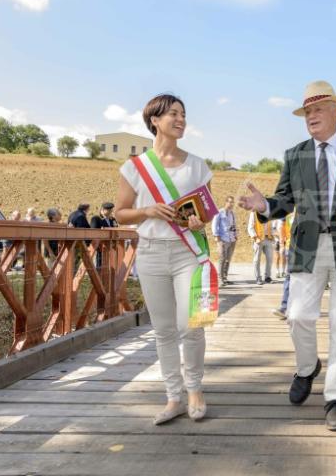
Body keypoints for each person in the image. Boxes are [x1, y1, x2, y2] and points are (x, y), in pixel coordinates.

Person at [238, 80, 336, 431]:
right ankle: (307, 367)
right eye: (307, 111)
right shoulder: (295, 154)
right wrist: (265, 207)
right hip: (307, 248)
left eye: (318, 109)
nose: (311, 116)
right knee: (298, 316)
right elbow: (283, 200)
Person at [114, 93, 213, 425]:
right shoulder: (134, 168)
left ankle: (195, 389)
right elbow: (120, 214)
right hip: (152, 253)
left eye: (183, 114)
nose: (181, 119)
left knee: (191, 325)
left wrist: (200, 220)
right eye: (173, 114)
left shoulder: (198, 165)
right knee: (164, 330)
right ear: (154, 120)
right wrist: (147, 210)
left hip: (187, 252)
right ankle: (173, 397)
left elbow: (205, 212)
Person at [272, 212, 296, 320]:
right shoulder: (287, 211)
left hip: (307, 249)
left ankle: (297, 308)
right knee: (289, 277)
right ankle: (284, 307)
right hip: (290, 248)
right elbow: (281, 226)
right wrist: (282, 244)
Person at [211, 196, 238, 286]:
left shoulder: (232, 214)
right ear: (226, 202)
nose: (231, 204)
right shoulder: (219, 212)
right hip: (222, 239)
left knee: (228, 259)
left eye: (232, 202)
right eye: (230, 202)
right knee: (222, 259)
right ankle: (220, 279)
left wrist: (235, 235)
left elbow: (234, 225)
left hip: (231, 239)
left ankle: (225, 278)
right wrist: (216, 235)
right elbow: (214, 224)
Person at [247, 211, 274, 284]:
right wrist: (255, 238)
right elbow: (250, 227)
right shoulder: (254, 213)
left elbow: (270, 225)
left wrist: (272, 235)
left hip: (267, 238)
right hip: (258, 239)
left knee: (270, 258)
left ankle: (267, 277)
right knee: (256, 259)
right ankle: (258, 278)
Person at [91, 202, 119, 268]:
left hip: (111, 243)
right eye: (108, 210)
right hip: (101, 244)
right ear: (102, 210)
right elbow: (93, 230)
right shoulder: (97, 219)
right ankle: (99, 272)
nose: (110, 211)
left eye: (111, 210)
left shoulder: (113, 220)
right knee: (100, 259)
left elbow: (116, 228)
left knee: (111, 260)